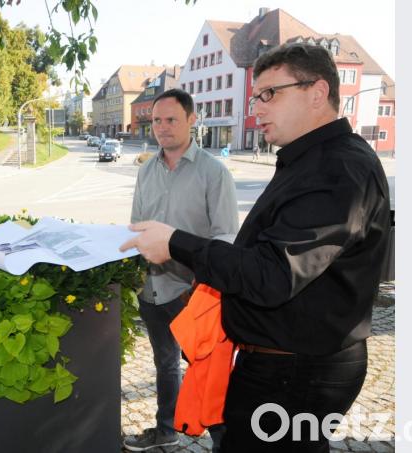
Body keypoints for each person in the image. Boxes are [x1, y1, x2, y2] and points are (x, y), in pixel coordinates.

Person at [120, 43, 391, 452]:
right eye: (255, 97)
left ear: (318, 92)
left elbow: (273, 274)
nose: (257, 108)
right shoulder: (312, 160)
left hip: (296, 371)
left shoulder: (336, 168)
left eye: (270, 94)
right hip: (285, 362)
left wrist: (175, 243)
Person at [122, 88, 238, 452]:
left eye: (171, 119)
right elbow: (136, 226)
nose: (162, 127)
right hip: (153, 290)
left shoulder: (214, 174)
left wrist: (200, 284)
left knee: (209, 370)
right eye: (156, 120)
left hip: (194, 294)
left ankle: (226, 441)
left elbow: (225, 239)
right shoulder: (146, 171)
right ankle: (166, 430)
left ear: (191, 120)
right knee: (165, 364)